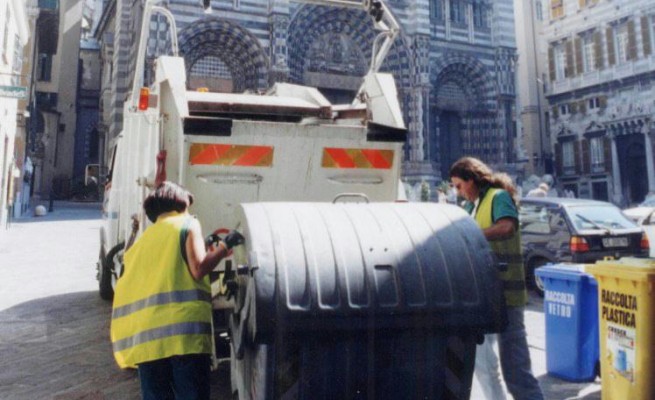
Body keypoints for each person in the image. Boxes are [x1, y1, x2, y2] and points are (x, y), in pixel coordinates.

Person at [110, 181, 245, 400]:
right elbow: (199, 268)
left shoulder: (145, 240)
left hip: (148, 341)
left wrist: (205, 243)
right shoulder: (188, 224)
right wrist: (225, 246)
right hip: (184, 337)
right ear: (181, 204)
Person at [450, 157, 543, 400]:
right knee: (483, 365)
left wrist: (473, 235)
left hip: (508, 296)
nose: (458, 192)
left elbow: (506, 227)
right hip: (484, 296)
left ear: (472, 179)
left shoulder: (498, 197)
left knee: (516, 370)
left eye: (459, 185)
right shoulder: (471, 207)